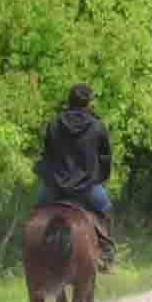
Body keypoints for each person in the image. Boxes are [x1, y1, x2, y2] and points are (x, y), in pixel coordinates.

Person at [34, 83, 116, 270]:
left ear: (69, 101)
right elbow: (105, 159)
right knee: (107, 208)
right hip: (86, 189)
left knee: (35, 214)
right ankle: (107, 253)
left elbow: (47, 155)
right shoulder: (97, 126)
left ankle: (30, 252)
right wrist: (101, 178)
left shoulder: (54, 123)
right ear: (88, 103)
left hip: (54, 188)